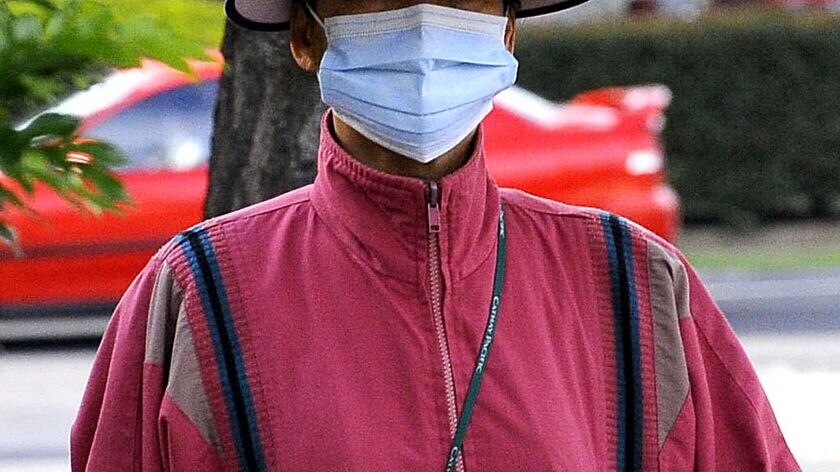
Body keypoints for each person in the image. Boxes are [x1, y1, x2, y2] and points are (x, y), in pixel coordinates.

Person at [71, 0, 801, 470]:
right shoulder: (198, 296)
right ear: (305, 37)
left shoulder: (635, 283)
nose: (424, 17)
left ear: (507, 32)